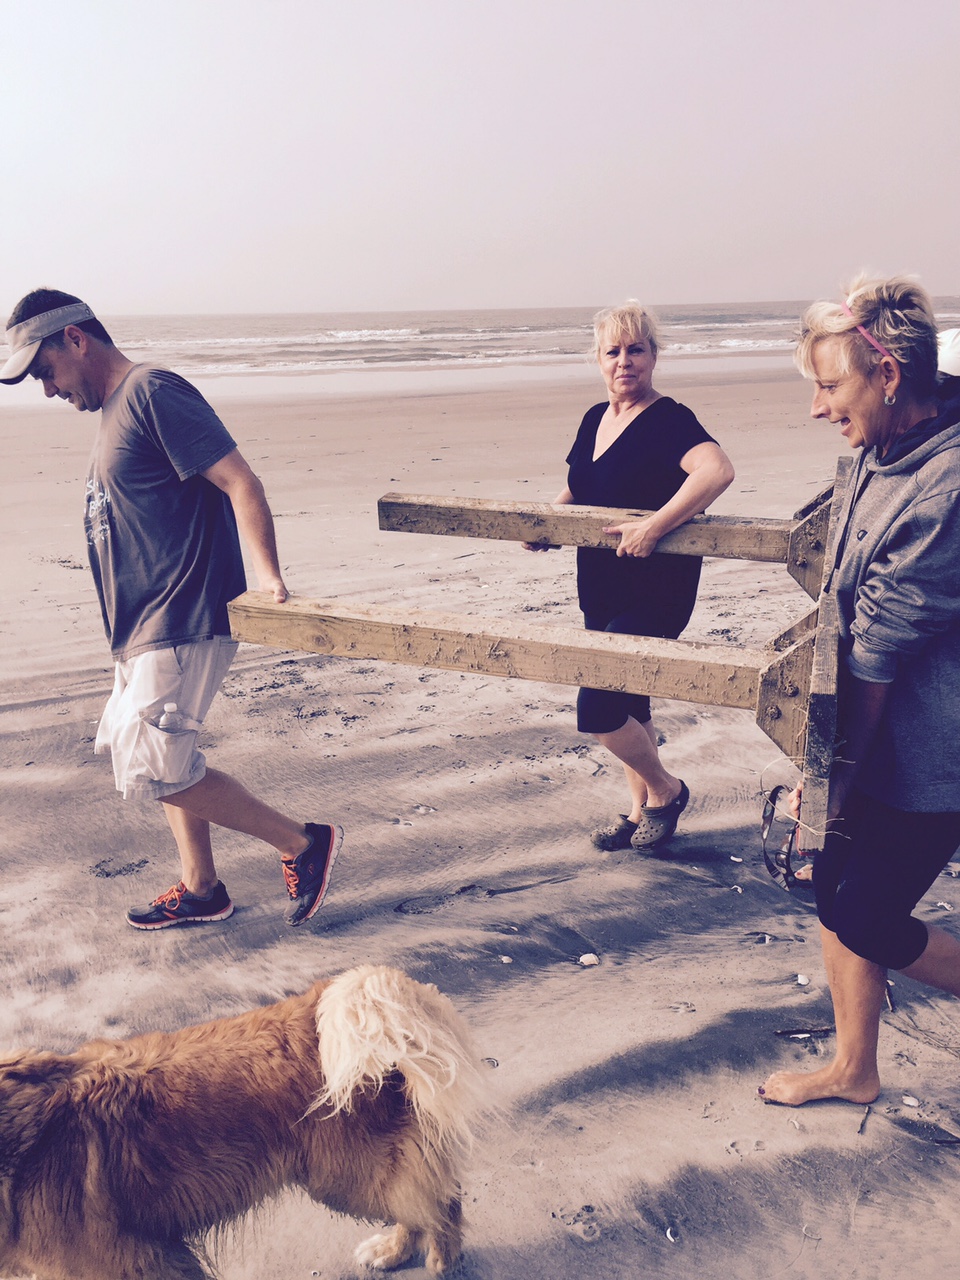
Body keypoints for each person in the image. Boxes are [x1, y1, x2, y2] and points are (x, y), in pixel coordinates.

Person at [0, 289, 343, 930]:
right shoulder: (116, 410)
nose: (45, 390)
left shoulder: (153, 390)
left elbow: (239, 478)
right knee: (166, 755)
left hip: (180, 615)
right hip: (141, 629)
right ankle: (202, 887)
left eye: (44, 371)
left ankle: (303, 843)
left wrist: (268, 574)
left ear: (75, 338)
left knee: (154, 761)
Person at [760, 274, 960, 1106]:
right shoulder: (882, 446)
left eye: (829, 385)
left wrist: (827, 780)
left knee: (870, 916)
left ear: (888, 376)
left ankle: (854, 1066)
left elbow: (876, 654)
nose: (817, 408)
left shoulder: (946, 488)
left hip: (931, 755)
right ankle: (854, 1068)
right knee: (831, 887)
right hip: (874, 742)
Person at [525, 301, 734, 850]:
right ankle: (640, 812)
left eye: (636, 349)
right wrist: (549, 520)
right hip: (599, 582)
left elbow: (717, 470)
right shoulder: (595, 418)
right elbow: (583, 484)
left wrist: (655, 526)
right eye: (613, 351)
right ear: (598, 359)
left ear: (654, 356)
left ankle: (667, 792)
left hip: (656, 588)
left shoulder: (669, 419)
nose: (625, 361)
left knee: (597, 706)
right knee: (631, 701)